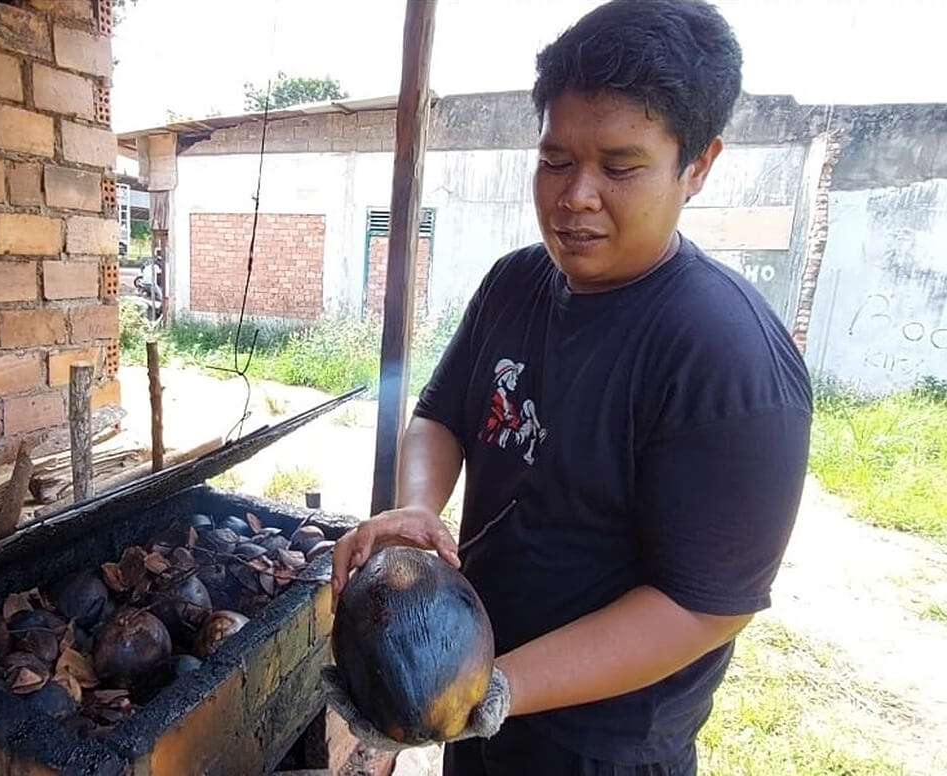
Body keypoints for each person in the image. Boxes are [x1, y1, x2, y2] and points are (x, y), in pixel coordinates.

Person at [322, 1, 814, 773]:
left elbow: (705, 607)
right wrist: (417, 507)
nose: (575, 195)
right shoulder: (516, 282)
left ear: (700, 163)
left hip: (602, 749)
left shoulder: (728, 358)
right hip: (480, 718)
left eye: (619, 166)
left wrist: (501, 687)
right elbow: (442, 416)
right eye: (555, 160)